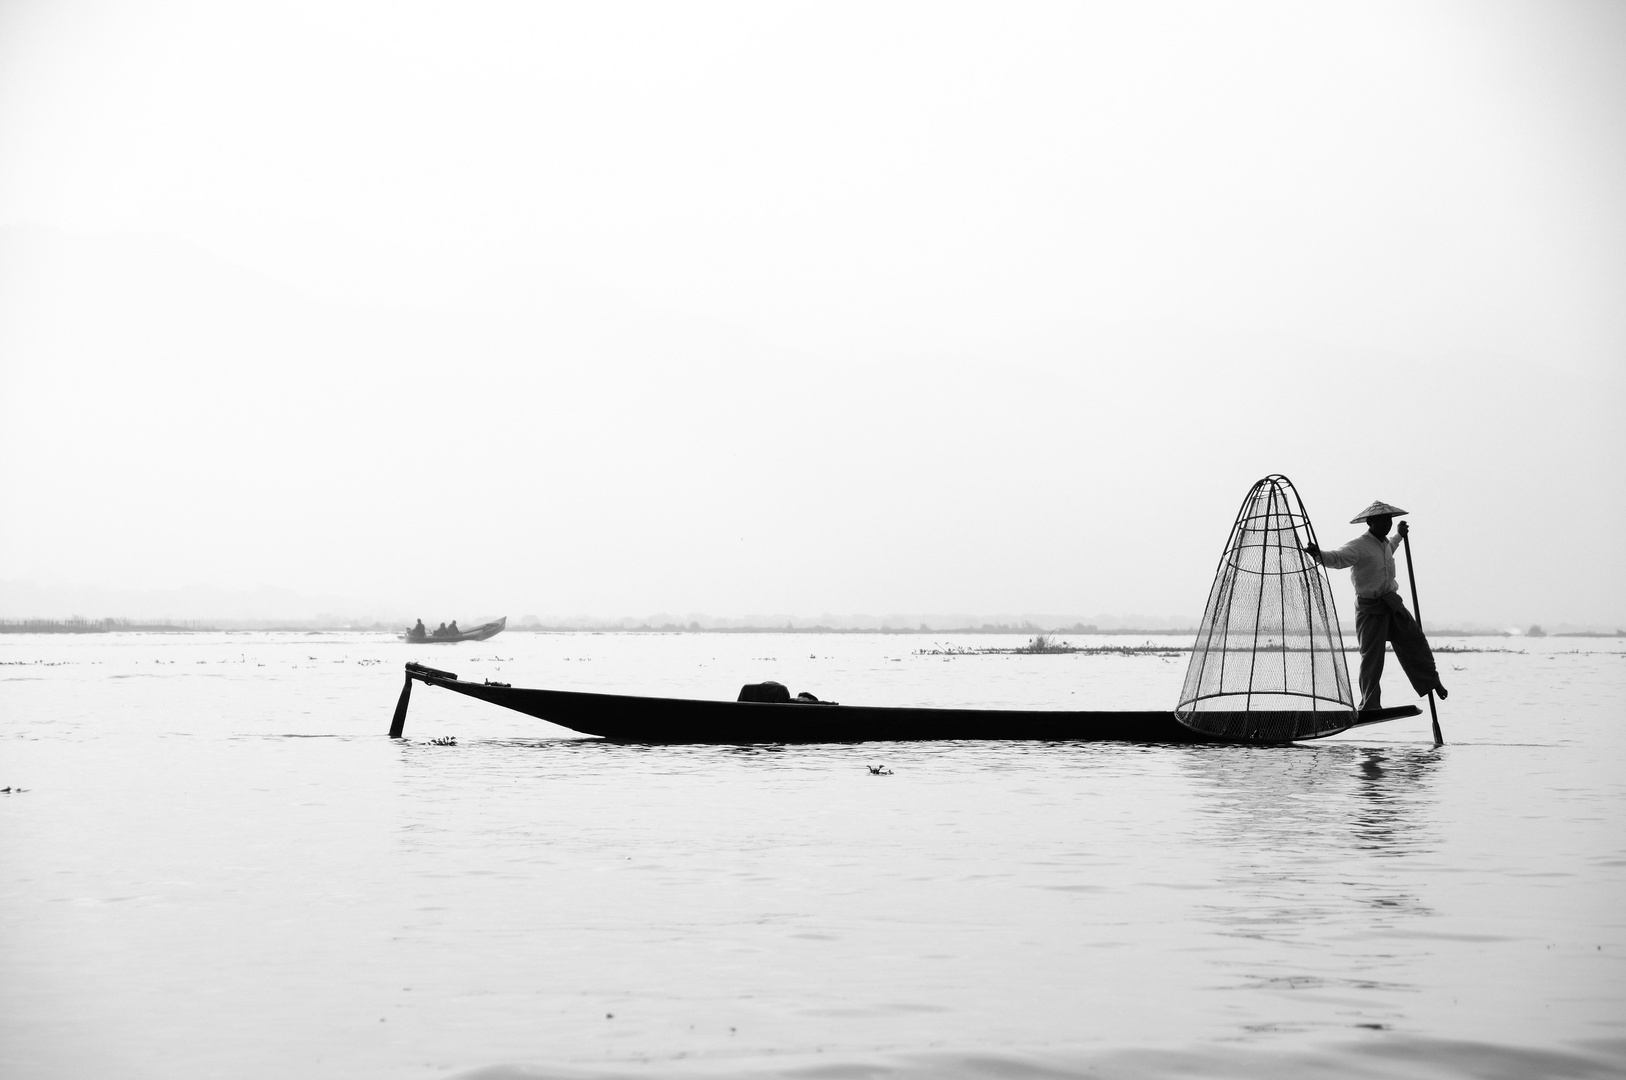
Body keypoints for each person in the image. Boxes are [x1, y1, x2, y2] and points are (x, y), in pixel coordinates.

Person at [1303, 500, 1448, 711]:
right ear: (1370, 522)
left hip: (1392, 603)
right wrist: (1318, 554)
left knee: (1415, 641)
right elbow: (1338, 558)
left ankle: (1432, 682)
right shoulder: (1359, 546)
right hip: (1370, 608)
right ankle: (1370, 704)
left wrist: (1399, 534)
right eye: (1381, 521)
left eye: (1388, 521)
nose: (1386, 524)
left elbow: (1392, 546)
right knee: (1372, 657)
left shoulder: (1385, 544)